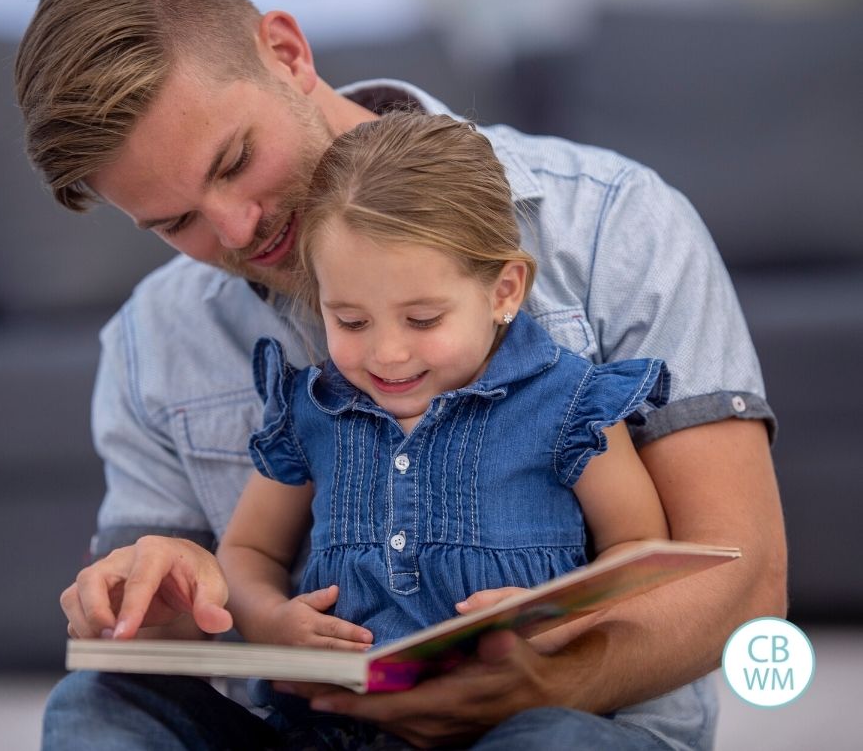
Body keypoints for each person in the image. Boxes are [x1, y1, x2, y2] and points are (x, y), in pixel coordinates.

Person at [15, 0, 786, 749]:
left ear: (286, 52)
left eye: (236, 160)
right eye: (178, 221)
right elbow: (159, 638)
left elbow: (747, 576)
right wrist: (161, 593)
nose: (238, 231)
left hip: (565, 730)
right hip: (313, 733)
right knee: (92, 706)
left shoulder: (614, 223)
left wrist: (557, 679)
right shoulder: (154, 338)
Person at [218, 110, 672, 724]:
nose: (387, 353)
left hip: (513, 719)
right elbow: (247, 550)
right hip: (340, 724)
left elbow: (640, 544)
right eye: (350, 321)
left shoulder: (568, 402)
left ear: (504, 291)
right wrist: (272, 621)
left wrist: (562, 618)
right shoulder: (314, 408)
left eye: (424, 319)